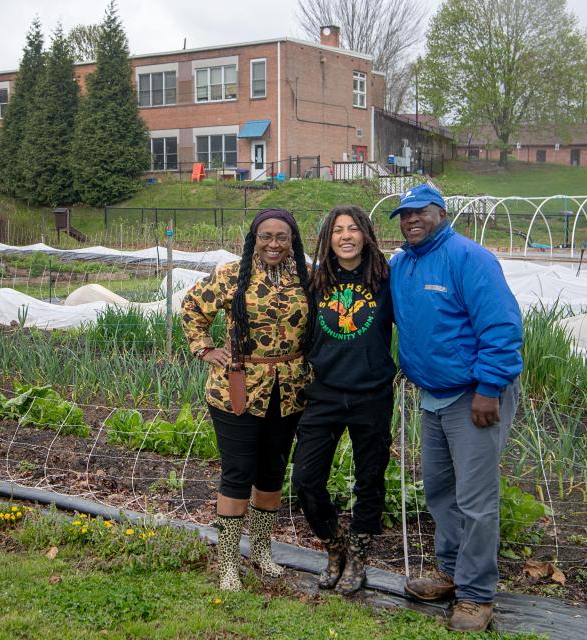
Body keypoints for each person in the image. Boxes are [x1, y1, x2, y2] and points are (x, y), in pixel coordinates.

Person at [388, 184, 523, 633]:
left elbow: (502, 326)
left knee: (476, 500)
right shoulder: (402, 264)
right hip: (434, 396)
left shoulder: (470, 259)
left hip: (473, 397)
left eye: (420, 213)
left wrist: (489, 387)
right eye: (404, 215)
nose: (411, 221)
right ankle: (450, 572)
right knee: (440, 490)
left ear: (441, 213)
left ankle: (476, 595)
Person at [181, 208, 312, 592]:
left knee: (272, 472)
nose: (274, 244)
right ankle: (227, 563)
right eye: (266, 236)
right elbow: (191, 308)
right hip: (238, 389)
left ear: (292, 240)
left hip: (289, 391)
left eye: (282, 237)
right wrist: (205, 348)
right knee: (238, 473)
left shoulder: (306, 275)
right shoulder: (230, 275)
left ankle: (261, 550)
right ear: (254, 238)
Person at [292, 205, 396, 595]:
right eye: (338, 230)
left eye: (354, 228)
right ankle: (334, 546)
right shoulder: (317, 280)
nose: (346, 236)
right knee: (306, 479)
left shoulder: (385, 279)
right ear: (328, 238)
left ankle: (358, 557)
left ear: (366, 234)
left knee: (370, 481)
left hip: (372, 395)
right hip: (326, 394)